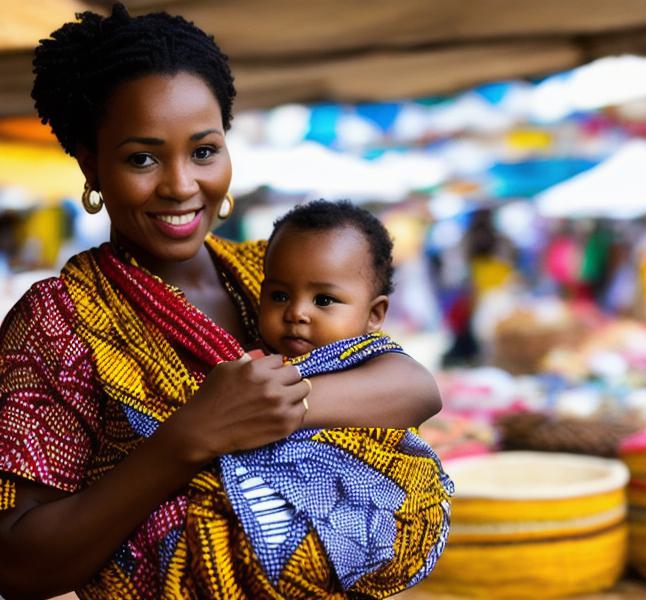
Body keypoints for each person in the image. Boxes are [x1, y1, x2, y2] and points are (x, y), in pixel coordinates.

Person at [0, 5, 443, 598]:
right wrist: (188, 439)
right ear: (91, 163)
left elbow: (413, 386)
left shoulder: (271, 271)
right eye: (142, 158)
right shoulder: (58, 323)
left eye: (204, 151)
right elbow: (20, 565)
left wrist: (278, 409)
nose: (182, 185)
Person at [214, 199, 453, 594]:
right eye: (278, 296)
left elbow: (424, 393)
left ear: (374, 315)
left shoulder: (368, 361)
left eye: (323, 300)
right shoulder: (252, 362)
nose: (297, 313)